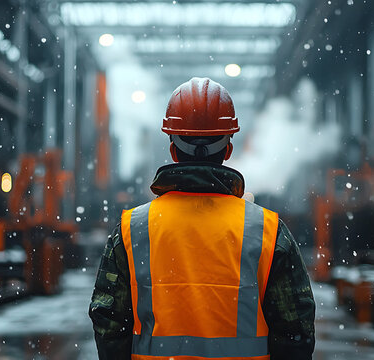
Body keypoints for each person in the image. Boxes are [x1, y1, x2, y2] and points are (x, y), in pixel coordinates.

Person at [89, 77, 315, 360]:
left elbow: (109, 324)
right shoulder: (267, 229)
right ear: (228, 149)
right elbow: (296, 328)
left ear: (172, 149)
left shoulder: (132, 229)